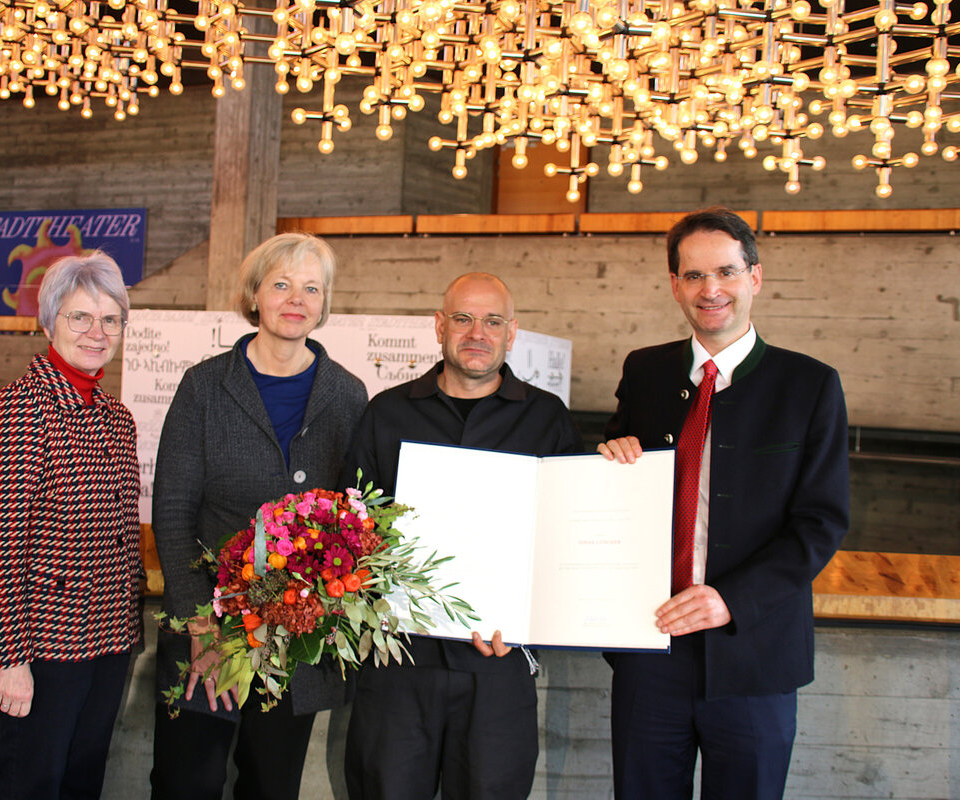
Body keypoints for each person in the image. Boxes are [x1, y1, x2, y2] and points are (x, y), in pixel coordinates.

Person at [598, 207, 850, 799]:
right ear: (674, 286)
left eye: (726, 272)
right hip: (650, 647)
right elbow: (614, 477)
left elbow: (820, 523)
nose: (711, 290)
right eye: (693, 276)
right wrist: (611, 453)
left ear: (754, 278)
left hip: (755, 654)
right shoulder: (645, 371)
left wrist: (730, 599)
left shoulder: (810, 384)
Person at [343, 272, 583, 800]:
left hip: (499, 664)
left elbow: (566, 543)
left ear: (512, 332)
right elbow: (352, 528)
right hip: (399, 661)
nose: (478, 332)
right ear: (439, 325)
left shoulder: (547, 419)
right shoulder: (387, 412)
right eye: (463, 318)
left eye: (493, 320)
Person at [150, 232, 368, 800]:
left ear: (324, 304)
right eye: (281, 284)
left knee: (271, 788)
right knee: (185, 782)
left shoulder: (348, 395)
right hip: (209, 628)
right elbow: (172, 512)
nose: (296, 299)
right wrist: (200, 626)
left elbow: (355, 522)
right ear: (254, 294)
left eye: (311, 288)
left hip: (296, 637)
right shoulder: (204, 386)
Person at [0, 251, 142, 800]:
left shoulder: (116, 417)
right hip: (42, 649)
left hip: (109, 640)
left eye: (110, 319)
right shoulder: (16, 411)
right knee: (34, 786)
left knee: (83, 784)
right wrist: (8, 660)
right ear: (47, 322)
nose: (97, 332)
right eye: (80, 317)